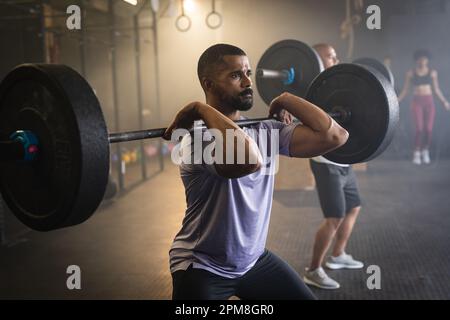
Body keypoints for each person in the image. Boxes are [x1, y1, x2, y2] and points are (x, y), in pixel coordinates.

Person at [162, 44, 348, 300]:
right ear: (209, 84)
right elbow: (249, 161)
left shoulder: (265, 129)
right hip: (203, 266)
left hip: (254, 262)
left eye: (248, 72)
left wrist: (286, 99)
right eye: (236, 75)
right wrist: (201, 110)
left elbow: (335, 136)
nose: (248, 81)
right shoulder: (196, 139)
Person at [303, 43, 364, 290]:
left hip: (344, 160)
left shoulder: (340, 87)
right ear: (316, 60)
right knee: (334, 217)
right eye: (331, 56)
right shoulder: (312, 91)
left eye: (337, 56)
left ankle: (338, 255)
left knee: (354, 206)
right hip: (326, 162)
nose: (336, 60)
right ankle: (313, 270)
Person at [398, 49, 450, 165]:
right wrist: (396, 101)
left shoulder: (432, 73)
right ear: (417, 60)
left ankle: (425, 150)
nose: (422, 61)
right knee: (419, 129)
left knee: (428, 129)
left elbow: (436, 90)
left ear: (427, 60)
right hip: (417, 102)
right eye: (420, 59)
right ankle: (416, 152)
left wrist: (444, 102)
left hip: (429, 101)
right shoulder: (411, 73)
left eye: (424, 59)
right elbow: (405, 90)